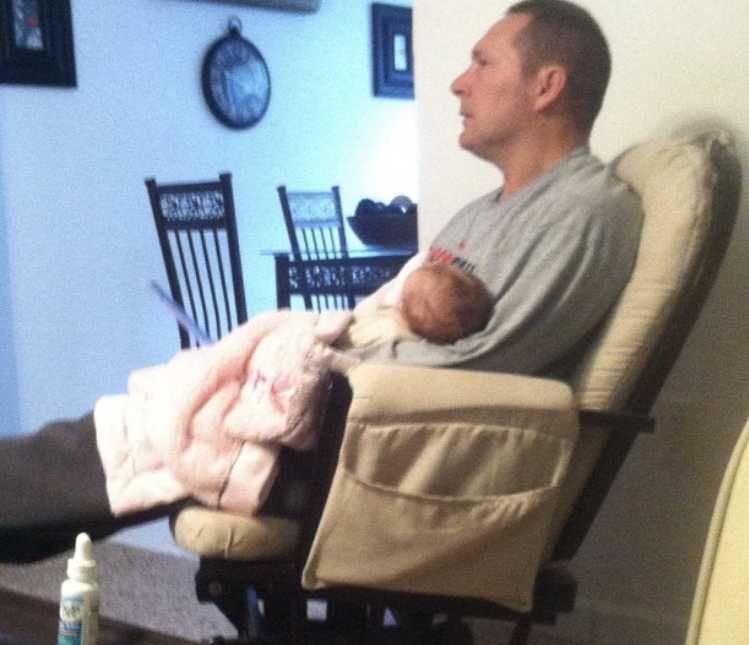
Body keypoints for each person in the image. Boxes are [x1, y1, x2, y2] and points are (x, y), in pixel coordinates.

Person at [0, 0, 643, 561]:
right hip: (350, 423)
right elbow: (389, 312)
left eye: (482, 63)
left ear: (546, 85)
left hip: (376, 452)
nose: (456, 82)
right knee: (131, 427)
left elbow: (486, 364)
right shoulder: (483, 211)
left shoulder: (585, 211)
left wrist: (320, 366)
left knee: (145, 439)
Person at [338, 256, 492, 350]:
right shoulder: (409, 331)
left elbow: (345, 342)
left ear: (401, 305)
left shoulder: (388, 332)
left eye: (403, 294)